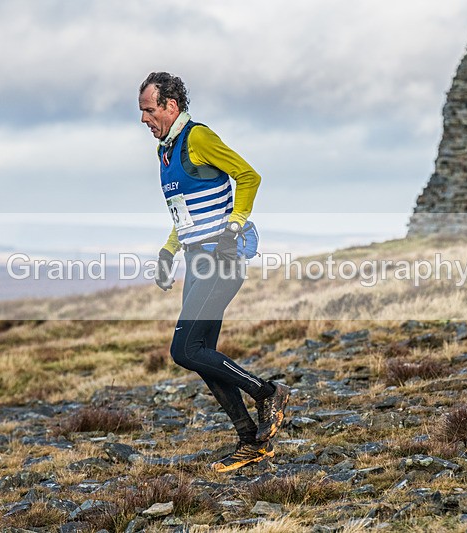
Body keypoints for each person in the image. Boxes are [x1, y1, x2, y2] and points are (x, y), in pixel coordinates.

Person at [138, 71, 290, 472]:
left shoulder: (198, 138)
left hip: (221, 260)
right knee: (200, 354)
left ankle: (268, 392)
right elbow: (184, 214)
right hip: (196, 262)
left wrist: (235, 224)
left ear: (171, 106)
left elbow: (249, 176)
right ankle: (249, 441)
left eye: (149, 110)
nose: (143, 119)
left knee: (184, 350)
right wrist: (169, 251)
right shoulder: (165, 152)